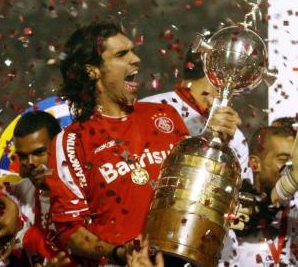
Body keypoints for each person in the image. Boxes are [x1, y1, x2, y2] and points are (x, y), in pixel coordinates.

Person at [46, 21, 240, 265]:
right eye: (121, 54)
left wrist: (214, 140)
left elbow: (191, 189)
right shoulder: (72, 142)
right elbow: (69, 231)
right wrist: (118, 253)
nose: (136, 59)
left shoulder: (164, 115)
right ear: (92, 71)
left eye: (132, 50)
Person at [141, 46, 252, 182]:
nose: (239, 83)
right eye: (237, 70)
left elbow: (240, 194)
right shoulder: (150, 108)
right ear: (217, 69)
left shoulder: (235, 136)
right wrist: (208, 136)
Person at [0, 111, 71, 264]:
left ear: (58, 146)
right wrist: (8, 205)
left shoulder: (87, 186)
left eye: (39, 152)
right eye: (23, 156)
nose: (30, 162)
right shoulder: (19, 191)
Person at [219, 125, 298, 266]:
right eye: (284, 159)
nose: (291, 168)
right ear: (255, 164)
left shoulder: (295, 209)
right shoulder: (231, 205)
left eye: (295, 161)